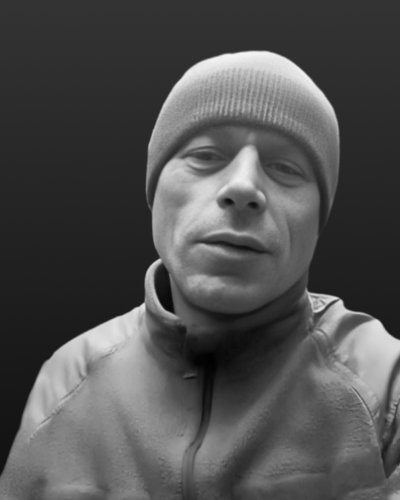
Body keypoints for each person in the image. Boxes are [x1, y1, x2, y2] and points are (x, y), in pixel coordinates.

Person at [1, 51, 400, 500]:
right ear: (154, 191)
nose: (243, 186)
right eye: (206, 156)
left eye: (285, 168)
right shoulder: (68, 379)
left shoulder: (384, 385)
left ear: (319, 220)